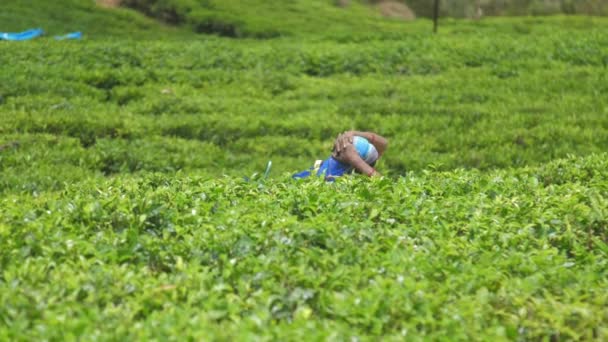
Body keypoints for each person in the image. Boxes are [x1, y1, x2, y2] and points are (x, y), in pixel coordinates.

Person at [293, 130, 388, 181]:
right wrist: (354, 133)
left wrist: (355, 160)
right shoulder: (331, 178)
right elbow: (384, 144)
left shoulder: (331, 177)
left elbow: (384, 143)